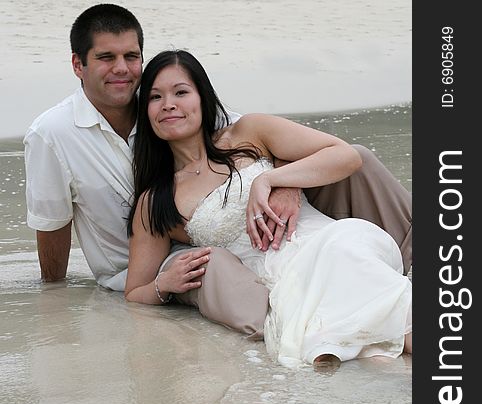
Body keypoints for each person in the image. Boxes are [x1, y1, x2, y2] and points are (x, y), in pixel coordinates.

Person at [24, 3, 412, 342]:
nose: (122, 69)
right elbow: (52, 222)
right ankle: (279, 326)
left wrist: (280, 179)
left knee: (349, 239)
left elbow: (265, 144)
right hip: (171, 264)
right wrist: (52, 298)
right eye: (106, 57)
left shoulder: (219, 123)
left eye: (131, 56)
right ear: (79, 64)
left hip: (312, 240)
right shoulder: (55, 134)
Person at [125, 50, 412, 368]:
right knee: (380, 349)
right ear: (145, 111)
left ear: (203, 98)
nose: (168, 104)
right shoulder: (157, 200)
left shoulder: (249, 132)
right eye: (155, 97)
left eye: (181, 92)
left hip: (335, 239)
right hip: (281, 281)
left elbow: (346, 156)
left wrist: (274, 179)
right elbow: (134, 290)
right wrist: (162, 286)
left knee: (344, 255)